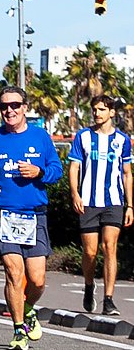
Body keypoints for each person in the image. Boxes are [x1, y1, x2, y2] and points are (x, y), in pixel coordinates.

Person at [0, 85, 63, 350]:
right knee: (14, 272)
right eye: (4, 106)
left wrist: (39, 171)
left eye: (14, 105)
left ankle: (29, 308)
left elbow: (56, 170)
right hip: (3, 214)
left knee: (37, 280)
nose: (9, 111)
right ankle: (18, 329)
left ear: (25, 107)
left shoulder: (41, 138)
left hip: (34, 215)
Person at [67, 92, 133, 316]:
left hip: (113, 201)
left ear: (112, 112)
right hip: (88, 202)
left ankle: (109, 299)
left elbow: (127, 173)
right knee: (90, 251)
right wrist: (75, 194)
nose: (97, 113)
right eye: (94, 109)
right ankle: (88, 285)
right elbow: (74, 167)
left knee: (109, 248)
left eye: (102, 109)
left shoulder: (122, 140)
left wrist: (130, 205)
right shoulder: (83, 137)